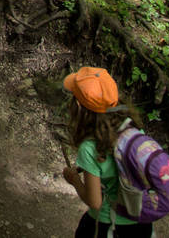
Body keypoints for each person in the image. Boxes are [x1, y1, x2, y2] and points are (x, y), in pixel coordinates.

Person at [57, 66, 149, 237]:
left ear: (78, 105)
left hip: (107, 225)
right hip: (140, 222)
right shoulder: (134, 131)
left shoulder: (90, 148)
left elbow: (95, 201)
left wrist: (75, 180)